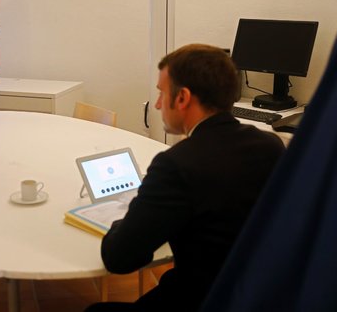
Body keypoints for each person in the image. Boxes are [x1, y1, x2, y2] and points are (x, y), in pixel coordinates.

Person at [85, 44, 286, 312]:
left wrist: (127, 217)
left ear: (182, 98)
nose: (157, 104)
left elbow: (119, 259)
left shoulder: (175, 165)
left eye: (161, 93)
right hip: (257, 295)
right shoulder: (271, 145)